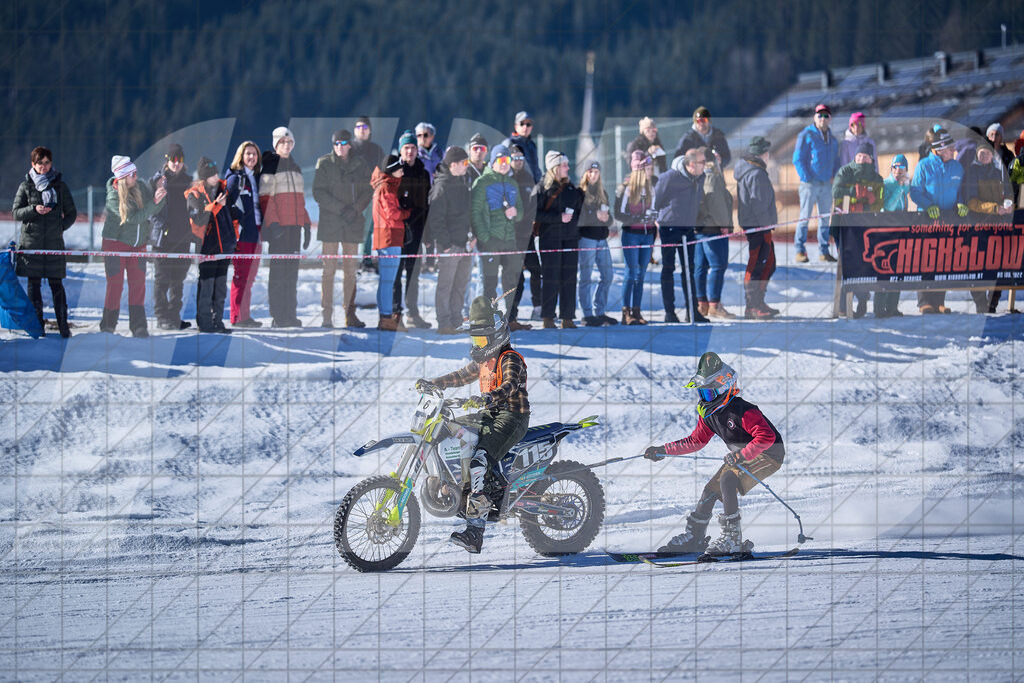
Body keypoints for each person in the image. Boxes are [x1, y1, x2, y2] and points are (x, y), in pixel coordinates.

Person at [415, 296, 530, 554]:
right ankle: (455, 485)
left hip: (512, 417)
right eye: (474, 340)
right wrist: (434, 383)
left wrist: (488, 397)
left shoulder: (509, 358)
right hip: (489, 415)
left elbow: (510, 385)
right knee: (447, 430)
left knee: (479, 461)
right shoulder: (483, 361)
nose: (477, 345)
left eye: (481, 340)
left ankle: (475, 531)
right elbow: (460, 376)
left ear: (496, 336)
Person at [644, 352, 785, 557]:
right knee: (710, 491)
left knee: (728, 480)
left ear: (724, 388)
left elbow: (766, 437)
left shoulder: (742, 411)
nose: (705, 399)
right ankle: (695, 537)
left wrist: (741, 455)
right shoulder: (709, 415)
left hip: (768, 455)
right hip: (741, 456)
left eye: (709, 394)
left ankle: (732, 539)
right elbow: (696, 441)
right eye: (702, 393)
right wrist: (662, 450)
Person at [12, 146, 77, 338]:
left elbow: (72, 213)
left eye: (47, 162)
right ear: (33, 164)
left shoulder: (60, 186)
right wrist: (33, 209)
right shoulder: (26, 186)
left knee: (57, 285)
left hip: (54, 244)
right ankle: (38, 326)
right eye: (40, 163)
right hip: (31, 244)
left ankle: (63, 326)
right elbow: (16, 212)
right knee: (34, 285)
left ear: (51, 163)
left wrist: (59, 227)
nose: (43, 166)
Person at [313, 129, 373, 328]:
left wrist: (355, 209)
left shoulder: (361, 165)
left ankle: (350, 314)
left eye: (344, 143)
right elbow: (318, 192)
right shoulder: (324, 163)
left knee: (350, 272)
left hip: (352, 223)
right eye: (336, 143)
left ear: (350, 145)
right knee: (328, 271)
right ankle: (326, 315)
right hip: (330, 223)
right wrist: (341, 209)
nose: (340, 147)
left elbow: (368, 190)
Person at [101, 155, 166, 337]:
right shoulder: (114, 195)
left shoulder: (140, 187)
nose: (136, 176)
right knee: (115, 285)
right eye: (132, 174)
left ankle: (138, 326)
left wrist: (159, 193)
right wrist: (154, 203)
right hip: (115, 244)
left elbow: (155, 208)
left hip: (138, 245)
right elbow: (132, 218)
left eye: (136, 172)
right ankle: (108, 325)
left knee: (138, 285)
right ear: (122, 177)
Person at [910, 127, 966, 314]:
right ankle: (924, 302)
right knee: (925, 259)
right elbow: (915, 192)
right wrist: (928, 205)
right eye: (950, 148)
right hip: (927, 220)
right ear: (939, 149)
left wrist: (961, 203)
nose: (954, 150)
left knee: (943, 260)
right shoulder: (924, 165)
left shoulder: (957, 167)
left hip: (948, 220)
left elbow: (961, 191)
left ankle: (939, 301)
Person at [260, 126, 311, 328]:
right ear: (276, 144)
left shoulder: (296, 168)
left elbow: (300, 201)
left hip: (294, 228)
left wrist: (306, 223)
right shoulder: (270, 166)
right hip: (279, 228)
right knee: (279, 273)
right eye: (282, 142)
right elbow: (266, 199)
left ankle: (290, 313)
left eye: (289, 142)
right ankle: (278, 315)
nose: (287, 145)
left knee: (292, 272)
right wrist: (273, 224)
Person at [654, 148, 707, 324]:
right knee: (668, 268)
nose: (705, 165)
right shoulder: (669, 177)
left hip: (689, 229)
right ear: (691, 164)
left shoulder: (700, 178)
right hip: (669, 228)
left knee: (689, 270)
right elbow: (656, 201)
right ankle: (670, 312)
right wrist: (660, 220)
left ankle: (692, 311)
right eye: (702, 162)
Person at [832, 143, 885, 318]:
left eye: (865, 156)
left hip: (866, 228)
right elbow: (836, 191)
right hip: (844, 225)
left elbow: (879, 203)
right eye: (859, 156)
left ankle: (862, 298)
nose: (862, 159)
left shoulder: (877, 178)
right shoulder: (845, 172)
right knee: (848, 264)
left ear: (871, 159)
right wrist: (853, 193)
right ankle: (843, 305)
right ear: (855, 157)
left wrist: (868, 202)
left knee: (863, 265)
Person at [960, 143, 1014, 314]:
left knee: (998, 266)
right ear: (977, 155)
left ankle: (993, 303)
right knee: (976, 266)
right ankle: (980, 303)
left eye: (987, 153)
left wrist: (1009, 205)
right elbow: (971, 202)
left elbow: (1008, 194)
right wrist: (994, 208)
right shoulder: (972, 173)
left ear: (992, 155)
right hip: (977, 226)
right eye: (981, 153)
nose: (984, 156)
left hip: (998, 228)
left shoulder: (999, 173)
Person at [426, 146, 473, 334]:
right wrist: (445, 244)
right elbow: (435, 219)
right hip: (449, 244)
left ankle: (456, 319)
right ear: (453, 164)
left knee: (460, 285)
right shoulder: (441, 186)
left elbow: (468, 213)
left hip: (465, 243)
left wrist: (472, 236)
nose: (467, 165)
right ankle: (444, 322)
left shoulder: (462, 182)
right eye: (464, 162)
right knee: (446, 285)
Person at [185, 157, 236, 333]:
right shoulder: (195, 194)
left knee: (220, 287)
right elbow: (198, 219)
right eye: (212, 174)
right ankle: (205, 322)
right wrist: (216, 205)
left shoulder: (223, 189)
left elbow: (232, 215)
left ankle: (218, 321)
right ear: (204, 177)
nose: (216, 176)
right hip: (207, 247)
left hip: (224, 246)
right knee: (206, 286)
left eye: (216, 173)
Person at [534, 151, 584, 329]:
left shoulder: (571, 189)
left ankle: (567, 317)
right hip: (550, 239)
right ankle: (548, 317)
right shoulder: (542, 188)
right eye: (564, 165)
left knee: (569, 278)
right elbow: (534, 213)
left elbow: (580, 211)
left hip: (570, 239)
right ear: (554, 167)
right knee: (551, 277)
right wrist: (558, 218)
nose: (568, 168)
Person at [148, 143, 193, 331]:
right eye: (173, 159)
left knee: (178, 281)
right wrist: (161, 223)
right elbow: (149, 210)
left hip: (182, 237)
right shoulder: (158, 181)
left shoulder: (189, 181)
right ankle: (162, 317)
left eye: (179, 160)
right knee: (162, 280)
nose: (176, 163)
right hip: (163, 239)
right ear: (167, 161)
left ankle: (174, 317)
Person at [471, 144, 522, 308]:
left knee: (511, 280)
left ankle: (510, 316)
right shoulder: (482, 182)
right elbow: (475, 212)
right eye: (500, 160)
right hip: (491, 240)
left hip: (509, 240)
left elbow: (521, 212)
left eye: (507, 160)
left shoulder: (513, 184)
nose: (504, 163)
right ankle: (489, 316)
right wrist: (485, 238)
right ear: (493, 162)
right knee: (489, 282)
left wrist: (515, 212)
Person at [734, 136, 779, 320]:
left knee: (768, 263)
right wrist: (766, 224)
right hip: (759, 226)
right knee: (758, 265)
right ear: (762, 154)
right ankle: (752, 306)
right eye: (767, 152)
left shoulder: (753, 171)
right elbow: (758, 203)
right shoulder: (756, 173)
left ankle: (759, 302)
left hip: (758, 225)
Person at [793, 104, 840, 263]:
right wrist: (806, 177)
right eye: (820, 115)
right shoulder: (806, 135)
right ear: (815, 117)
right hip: (810, 183)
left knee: (825, 218)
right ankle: (800, 250)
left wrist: (834, 175)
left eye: (826, 116)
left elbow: (836, 160)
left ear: (830, 119)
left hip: (826, 184)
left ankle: (823, 252)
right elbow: (798, 158)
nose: (823, 118)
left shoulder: (833, 139)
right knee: (805, 216)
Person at [614, 151, 657, 325]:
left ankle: (637, 310)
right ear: (639, 169)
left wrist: (653, 217)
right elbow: (619, 213)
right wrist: (638, 218)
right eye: (648, 168)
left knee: (641, 274)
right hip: (632, 235)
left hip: (647, 235)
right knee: (631, 272)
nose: (651, 171)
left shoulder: (651, 188)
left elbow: (654, 209)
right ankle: (626, 312)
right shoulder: (626, 188)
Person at [395, 129, 432, 328]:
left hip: (417, 229)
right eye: (406, 148)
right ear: (401, 150)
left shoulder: (423, 173)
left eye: (413, 148)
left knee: (413, 273)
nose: (410, 151)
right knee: (396, 273)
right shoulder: (395, 171)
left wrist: (428, 234)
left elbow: (427, 205)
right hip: (398, 229)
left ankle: (412, 313)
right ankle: (396, 313)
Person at [225, 140, 263, 327]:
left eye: (254, 154)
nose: (251, 157)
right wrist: (237, 225)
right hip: (243, 235)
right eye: (248, 153)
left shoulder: (256, 178)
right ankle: (237, 317)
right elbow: (227, 206)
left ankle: (245, 316)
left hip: (256, 233)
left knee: (250, 277)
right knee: (241, 276)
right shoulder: (235, 179)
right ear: (241, 156)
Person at [694, 147, 735, 319]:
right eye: (716, 156)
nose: (720, 159)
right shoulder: (712, 176)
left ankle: (701, 304)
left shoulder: (698, 175)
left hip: (700, 228)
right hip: (713, 228)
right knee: (718, 265)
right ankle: (714, 304)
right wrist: (724, 224)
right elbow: (716, 202)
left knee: (701, 267)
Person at [371, 155, 409, 331]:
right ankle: (386, 317)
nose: (402, 172)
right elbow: (392, 214)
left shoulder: (386, 185)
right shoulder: (386, 187)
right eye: (399, 168)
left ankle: (384, 316)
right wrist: (407, 212)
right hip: (389, 237)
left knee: (386, 280)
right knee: (388, 280)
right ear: (392, 170)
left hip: (387, 237)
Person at [576, 161, 616, 327]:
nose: (593, 175)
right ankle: (586, 313)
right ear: (585, 173)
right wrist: (595, 216)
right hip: (587, 239)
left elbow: (610, 219)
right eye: (590, 171)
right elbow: (579, 219)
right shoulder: (580, 193)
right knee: (586, 277)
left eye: (596, 172)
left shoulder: (602, 193)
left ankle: (600, 311)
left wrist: (606, 218)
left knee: (608, 275)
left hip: (602, 239)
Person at [507, 144, 540, 329]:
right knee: (515, 277)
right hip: (511, 236)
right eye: (515, 158)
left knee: (536, 269)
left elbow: (533, 205)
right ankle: (511, 316)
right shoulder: (506, 178)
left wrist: (533, 223)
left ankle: (538, 307)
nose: (518, 161)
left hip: (527, 235)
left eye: (521, 158)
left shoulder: (528, 178)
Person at [876, 154, 911, 318]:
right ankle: (879, 307)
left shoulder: (905, 185)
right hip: (886, 231)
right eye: (895, 167)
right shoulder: (886, 184)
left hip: (900, 230)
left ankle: (892, 306)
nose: (898, 170)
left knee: (898, 269)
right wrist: (899, 188)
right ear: (891, 168)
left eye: (901, 167)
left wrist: (904, 186)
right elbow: (888, 207)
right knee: (885, 269)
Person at [352, 116, 385, 268]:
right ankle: (356, 259)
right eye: (359, 127)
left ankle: (366, 259)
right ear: (354, 130)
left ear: (370, 130)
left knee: (370, 228)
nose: (362, 130)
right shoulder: (350, 149)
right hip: (354, 195)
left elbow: (383, 171)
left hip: (373, 195)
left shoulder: (376, 150)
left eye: (365, 127)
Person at [502, 111, 542, 184]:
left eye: (528, 124)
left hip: (532, 185)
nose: (525, 127)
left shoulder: (532, 145)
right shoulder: (509, 143)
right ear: (516, 127)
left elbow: (536, 168)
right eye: (522, 124)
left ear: (531, 127)